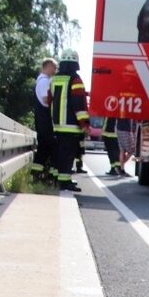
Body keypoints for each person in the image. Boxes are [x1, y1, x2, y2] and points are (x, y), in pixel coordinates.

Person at [50, 48, 90, 192]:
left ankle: (59, 180)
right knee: (68, 155)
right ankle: (64, 182)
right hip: (71, 125)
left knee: (59, 153)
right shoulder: (75, 79)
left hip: (56, 125)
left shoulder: (54, 79)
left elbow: (50, 100)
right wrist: (84, 123)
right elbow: (78, 103)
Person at [29, 58, 56, 183]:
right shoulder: (45, 81)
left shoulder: (41, 81)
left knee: (44, 148)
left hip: (41, 120)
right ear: (48, 66)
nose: (55, 70)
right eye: (54, 67)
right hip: (45, 120)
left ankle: (37, 174)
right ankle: (46, 176)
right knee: (51, 147)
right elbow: (46, 99)